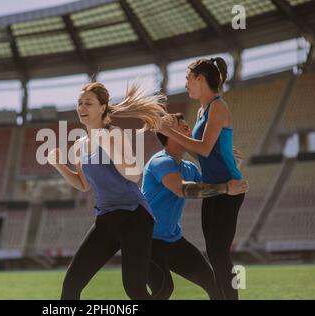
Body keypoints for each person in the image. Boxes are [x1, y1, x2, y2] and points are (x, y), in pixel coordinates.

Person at [48, 82, 168, 300]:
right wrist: (59, 166)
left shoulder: (114, 133)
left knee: (134, 289)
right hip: (105, 218)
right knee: (71, 285)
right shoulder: (79, 146)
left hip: (134, 215)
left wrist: (108, 145)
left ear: (103, 107)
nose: (82, 107)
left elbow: (134, 175)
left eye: (88, 103)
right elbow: (83, 185)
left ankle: (161, 279)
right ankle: (161, 279)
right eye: (79, 103)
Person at [160, 57, 246, 300]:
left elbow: (205, 149)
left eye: (188, 79)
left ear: (200, 79)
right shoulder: (201, 111)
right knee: (214, 253)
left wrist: (170, 132)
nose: (186, 85)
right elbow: (205, 152)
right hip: (214, 187)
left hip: (230, 187)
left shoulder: (218, 106)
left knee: (219, 254)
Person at [142, 113, 248, 300]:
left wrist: (230, 168)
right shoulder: (160, 161)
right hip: (145, 242)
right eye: (183, 128)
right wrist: (225, 187)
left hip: (173, 240)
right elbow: (182, 189)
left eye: (188, 128)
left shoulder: (189, 168)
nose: (189, 131)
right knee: (164, 289)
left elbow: (211, 188)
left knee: (215, 282)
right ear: (169, 134)